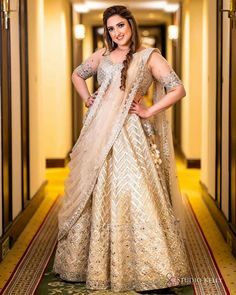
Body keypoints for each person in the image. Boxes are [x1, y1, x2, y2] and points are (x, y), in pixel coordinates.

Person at [53, 5, 191, 293]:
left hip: (129, 134)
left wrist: (150, 109)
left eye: (121, 26)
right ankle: (88, 264)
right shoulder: (101, 55)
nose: (116, 32)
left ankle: (150, 266)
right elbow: (77, 74)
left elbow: (177, 88)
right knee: (94, 190)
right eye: (111, 28)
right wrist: (87, 98)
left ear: (131, 25)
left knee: (133, 190)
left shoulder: (148, 56)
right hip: (96, 134)